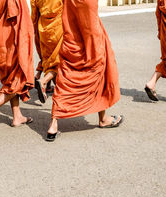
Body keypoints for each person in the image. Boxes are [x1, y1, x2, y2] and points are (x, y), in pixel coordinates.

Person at [46, 0, 123, 142]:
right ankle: (103, 119)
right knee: (100, 68)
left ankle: (53, 124)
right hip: (90, 36)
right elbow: (90, 26)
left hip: (71, 37)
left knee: (67, 75)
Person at [0, 0, 34, 135]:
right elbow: (16, 14)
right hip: (11, 39)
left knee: (10, 78)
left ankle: (17, 116)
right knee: (19, 78)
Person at [31, 0, 63, 103]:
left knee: (48, 58)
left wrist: (35, 29)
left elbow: (34, 13)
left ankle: (48, 86)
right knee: (58, 60)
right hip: (58, 25)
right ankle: (44, 82)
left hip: (43, 26)